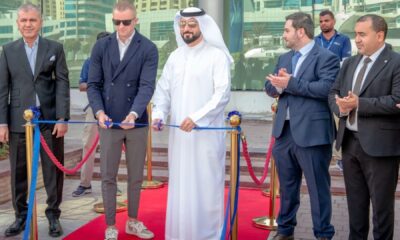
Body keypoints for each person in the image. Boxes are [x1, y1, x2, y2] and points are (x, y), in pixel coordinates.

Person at [151, 7, 232, 240]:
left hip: (205, 136)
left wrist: (197, 117)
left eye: (192, 24)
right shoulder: (175, 57)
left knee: (205, 186)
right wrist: (158, 115)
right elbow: (163, 92)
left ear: (203, 26)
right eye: (183, 24)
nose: (186, 29)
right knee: (180, 186)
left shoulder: (216, 56)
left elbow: (222, 94)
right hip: (179, 137)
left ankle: (208, 236)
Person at [87, 1, 158, 239]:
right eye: (116, 22)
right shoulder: (101, 46)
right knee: (108, 175)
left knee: (136, 175)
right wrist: (98, 113)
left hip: (136, 121)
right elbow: (94, 85)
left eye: (126, 22)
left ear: (135, 20)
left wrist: (134, 113)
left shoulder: (148, 48)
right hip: (108, 120)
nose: (121, 26)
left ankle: (133, 221)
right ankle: (110, 225)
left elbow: (147, 86)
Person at [265, 12, 339, 240]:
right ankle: (285, 231)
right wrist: (277, 87)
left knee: (318, 190)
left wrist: (291, 83)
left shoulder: (326, 57)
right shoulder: (285, 58)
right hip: (284, 133)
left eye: (286, 30)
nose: (283, 35)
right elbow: (270, 87)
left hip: (312, 134)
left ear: (300, 31)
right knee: (287, 188)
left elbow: (325, 89)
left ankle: (323, 235)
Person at [0, 3, 69, 238]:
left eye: (32, 20)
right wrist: (2, 123)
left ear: (40, 22)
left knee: (53, 171)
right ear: (18, 24)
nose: (28, 24)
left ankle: (53, 216)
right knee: (18, 172)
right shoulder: (8, 50)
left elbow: (62, 84)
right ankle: (21, 216)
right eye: (24, 20)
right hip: (19, 122)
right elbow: (2, 89)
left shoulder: (55, 48)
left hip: (49, 121)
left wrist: (62, 117)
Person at [328, 14, 400, 239]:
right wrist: (340, 107)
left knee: (381, 210)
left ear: (380, 35)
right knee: (355, 207)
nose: (356, 40)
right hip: (350, 145)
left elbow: (396, 101)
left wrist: (359, 103)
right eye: (355, 35)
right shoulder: (350, 62)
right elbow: (333, 92)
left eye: (362, 34)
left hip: (381, 148)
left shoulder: (396, 62)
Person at [72, 31, 111, 197]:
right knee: (88, 145)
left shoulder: (118, 62)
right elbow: (81, 85)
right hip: (94, 108)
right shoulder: (89, 62)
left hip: (114, 109)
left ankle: (111, 185)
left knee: (112, 148)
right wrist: (95, 85)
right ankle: (85, 184)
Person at [315, 9, 352, 172]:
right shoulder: (315, 41)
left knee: (339, 123)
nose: (323, 23)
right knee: (321, 122)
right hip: (319, 87)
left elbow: (345, 63)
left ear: (333, 22)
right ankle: (321, 154)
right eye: (321, 21)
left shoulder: (343, 40)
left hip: (337, 87)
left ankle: (340, 157)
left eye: (326, 21)